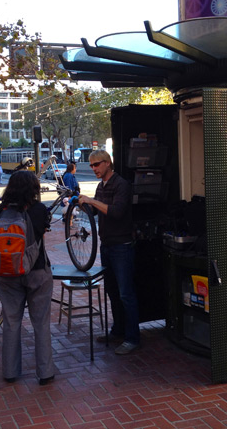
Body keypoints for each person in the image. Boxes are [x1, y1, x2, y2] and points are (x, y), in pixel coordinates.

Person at [0, 170, 55, 385]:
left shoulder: (1, 210)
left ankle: (10, 372)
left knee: (11, 322)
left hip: (7, 273)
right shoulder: (39, 209)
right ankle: (45, 373)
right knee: (41, 322)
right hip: (37, 272)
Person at [78, 150, 140, 355]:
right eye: (91, 165)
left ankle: (132, 338)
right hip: (107, 245)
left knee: (125, 294)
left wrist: (92, 201)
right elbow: (97, 211)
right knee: (112, 292)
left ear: (107, 163)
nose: (93, 169)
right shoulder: (100, 186)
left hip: (122, 246)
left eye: (96, 165)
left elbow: (116, 211)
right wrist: (83, 205)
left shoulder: (121, 185)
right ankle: (118, 330)